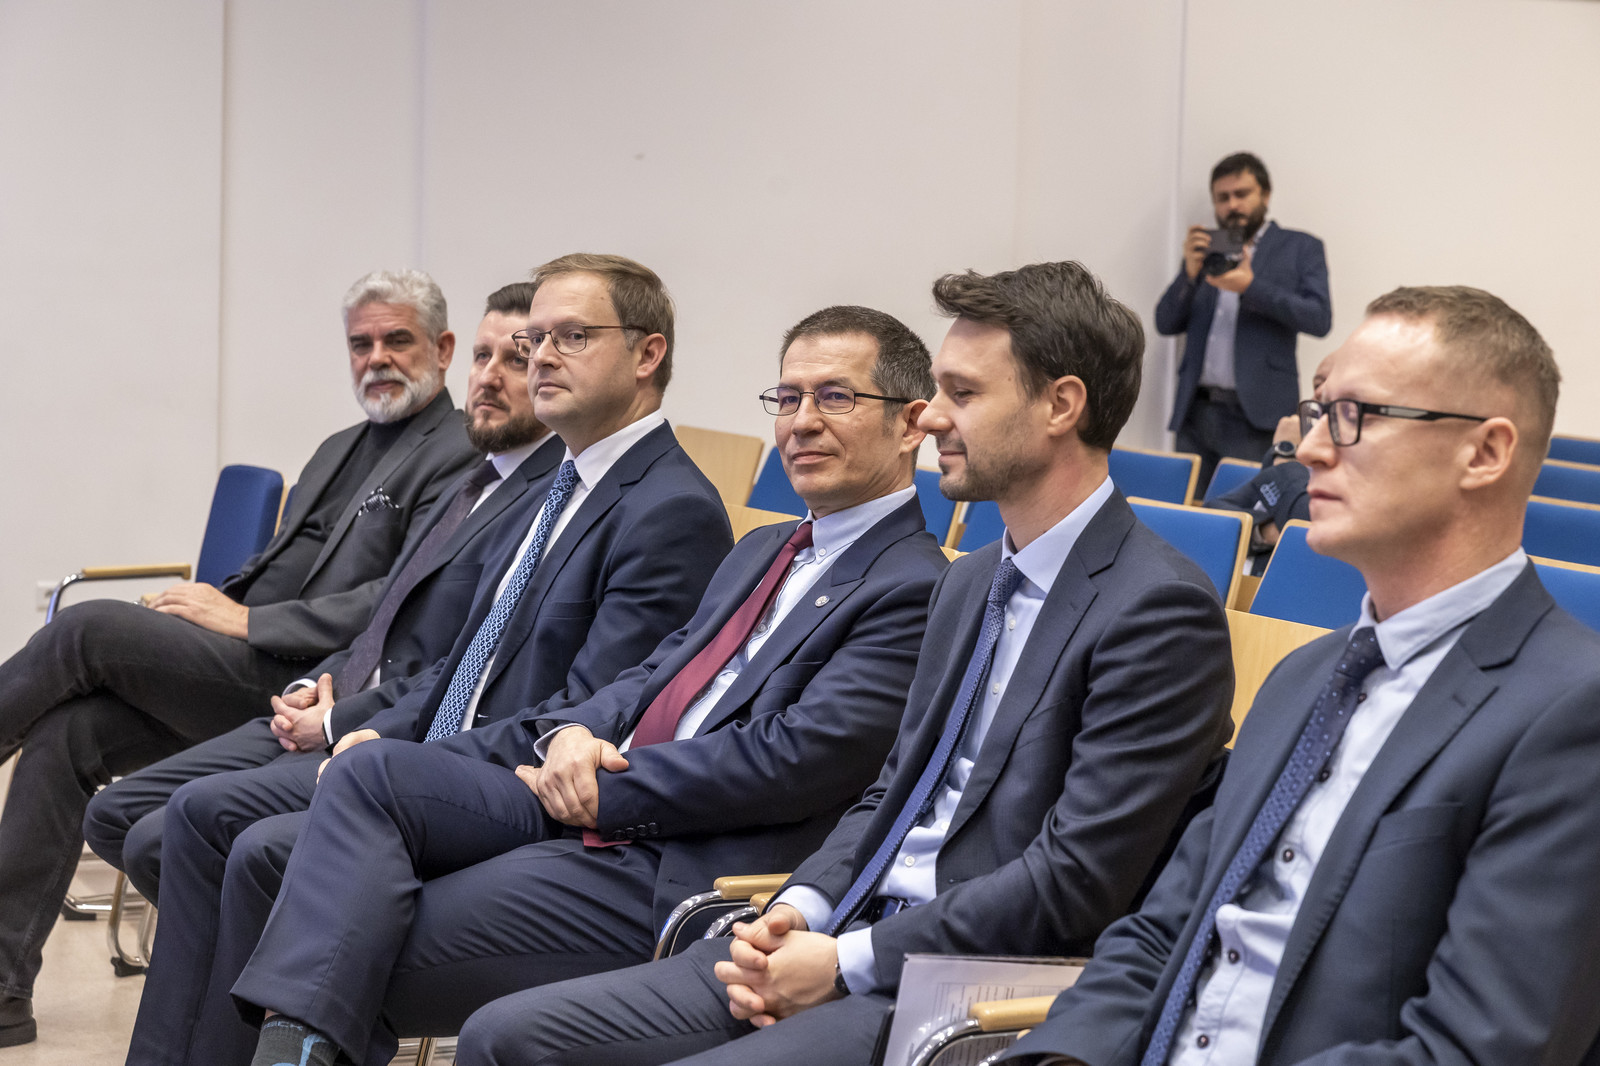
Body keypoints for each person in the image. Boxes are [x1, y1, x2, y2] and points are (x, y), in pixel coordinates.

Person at [450, 260, 1237, 1066]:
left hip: (961, 984)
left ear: (1061, 406)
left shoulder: (1156, 610)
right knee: (503, 1039)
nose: (933, 417)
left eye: (964, 393)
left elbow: (1073, 879)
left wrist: (847, 960)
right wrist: (802, 907)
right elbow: (893, 789)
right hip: (844, 930)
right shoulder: (972, 581)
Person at [199, 303, 952, 1066]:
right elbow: (656, 671)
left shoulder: (914, 586)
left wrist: (608, 789)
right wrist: (577, 732)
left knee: (332, 941)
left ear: (910, 424)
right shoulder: (766, 546)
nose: (802, 422)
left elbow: (796, 758)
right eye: (788, 398)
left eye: (835, 397)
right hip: (589, 804)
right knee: (367, 774)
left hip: (674, 861)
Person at [114, 253, 735, 1066]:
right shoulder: (553, 487)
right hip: (436, 756)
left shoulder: (670, 508)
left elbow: (588, 716)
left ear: (648, 354)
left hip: (520, 784)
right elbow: (461, 665)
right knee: (207, 819)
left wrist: (404, 755)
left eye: (571, 337)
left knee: (267, 843)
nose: (540, 358)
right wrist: (379, 728)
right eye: (536, 339)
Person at [1000, 286, 1600, 1066]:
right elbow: (1162, 931)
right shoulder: (1303, 677)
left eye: (1353, 416)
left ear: (1484, 453)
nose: (1310, 449)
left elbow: (1477, 1049)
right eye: (1317, 412)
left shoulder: (1570, 711)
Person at [0, 268, 480, 1045]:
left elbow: (396, 601)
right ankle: (2, 993)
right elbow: (275, 567)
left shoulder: (457, 454)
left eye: (397, 340)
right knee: (67, 733)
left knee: (85, 628)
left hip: (302, 681)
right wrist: (205, 607)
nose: (377, 359)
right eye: (361, 344)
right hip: (233, 662)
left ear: (444, 348)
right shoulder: (340, 447)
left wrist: (245, 619)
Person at [82, 282, 564, 903]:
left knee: (94, 637)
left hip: (382, 728)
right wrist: (314, 688)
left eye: (516, 360)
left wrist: (336, 717)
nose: (489, 377)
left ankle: (262, 948)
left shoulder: (532, 496)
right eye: (483, 356)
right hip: (325, 689)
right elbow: (385, 617)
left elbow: (461, 664)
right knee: (110, 804)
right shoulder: (467, 479)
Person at [1158, 152, 1331, 488]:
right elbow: (1165, 322)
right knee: (1186, 507)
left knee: (1249, 510)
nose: (1232, 205)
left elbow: (1319, 318)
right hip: (1195, 413)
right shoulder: (1210, 251)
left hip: (1257, 417)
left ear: (1265, 195)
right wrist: (1189, 275)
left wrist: (1251, 287)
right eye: (1222, 198)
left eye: (1241, 194)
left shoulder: (1300, 247)